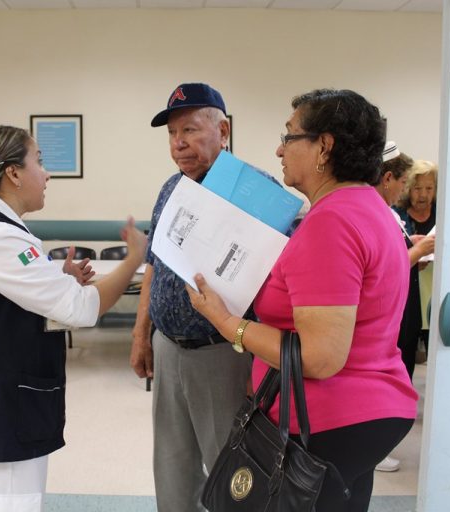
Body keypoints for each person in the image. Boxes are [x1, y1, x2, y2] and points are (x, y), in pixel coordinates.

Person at [185, 89, 419, 512]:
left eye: (289, 135)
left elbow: (319, 358)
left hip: (327, 421)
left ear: (323, 147)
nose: (279, 148)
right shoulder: (369, 206)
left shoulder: (331, 221)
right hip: (366, 411)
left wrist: (227, 323)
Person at [0, 124, 147, 512]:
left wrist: (58, 279)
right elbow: (80, 308)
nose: (47, 174)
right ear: (13, 173)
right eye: (40, 161)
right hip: (0, 407)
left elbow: (8, 298)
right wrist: (134, 259)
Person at [130, 83, 253, 512]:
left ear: (223, 130)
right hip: (167, 349)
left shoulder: (252, 192)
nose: (178, 143)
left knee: (226, 467)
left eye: (190, 130)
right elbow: (154, 266)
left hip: (221, 353)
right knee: (172, 464)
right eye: (171, 134)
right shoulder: (172, 188)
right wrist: (141, 333)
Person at [372, 142, 434, 473]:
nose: (406, 190)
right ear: (387, 178)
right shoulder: (376, 212)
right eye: (403, 182)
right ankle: (375, 449)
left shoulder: (390, 214)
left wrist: (412, 246)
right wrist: (419, 249)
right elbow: (390, 266)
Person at [394, 160, 438, 356]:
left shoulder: (442, 213)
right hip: (408, 294)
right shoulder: (398, 215)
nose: (423, 195)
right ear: (408, 189)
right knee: (407, 348)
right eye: (418, 188)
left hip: (434, 291)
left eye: (429, 188)